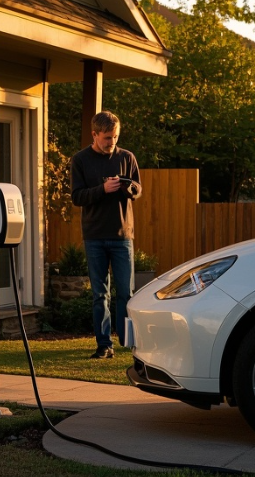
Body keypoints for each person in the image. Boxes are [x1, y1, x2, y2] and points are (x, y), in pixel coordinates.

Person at [70, 110, 142, 359]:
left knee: (126, 293)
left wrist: (128, 187)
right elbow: (77, 197)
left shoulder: (127, 157)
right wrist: (103, 189)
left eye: (116, 137)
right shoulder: (80, 160)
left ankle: (126, 341)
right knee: (100, 294)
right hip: (95, 236)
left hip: (123, 235)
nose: (113, 142)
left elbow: (138, 188)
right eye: (108, 137)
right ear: (95, 134)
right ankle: (104, 345)